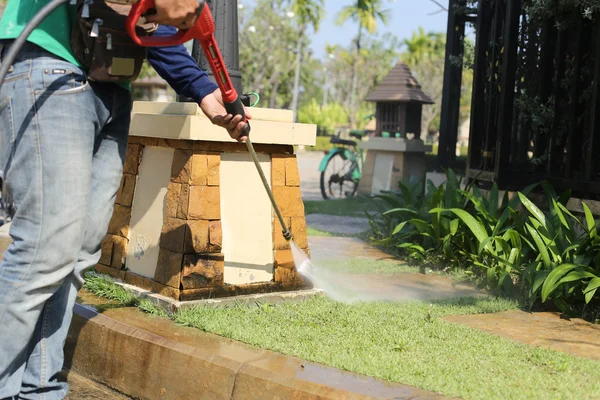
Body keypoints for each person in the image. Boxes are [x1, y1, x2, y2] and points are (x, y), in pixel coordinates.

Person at [0, 1, 251, 397]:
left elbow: (145, 27)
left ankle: (39, 391)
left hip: (112, 86)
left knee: (78, 254)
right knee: (44, 252)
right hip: (50, 63)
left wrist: (203, 90)